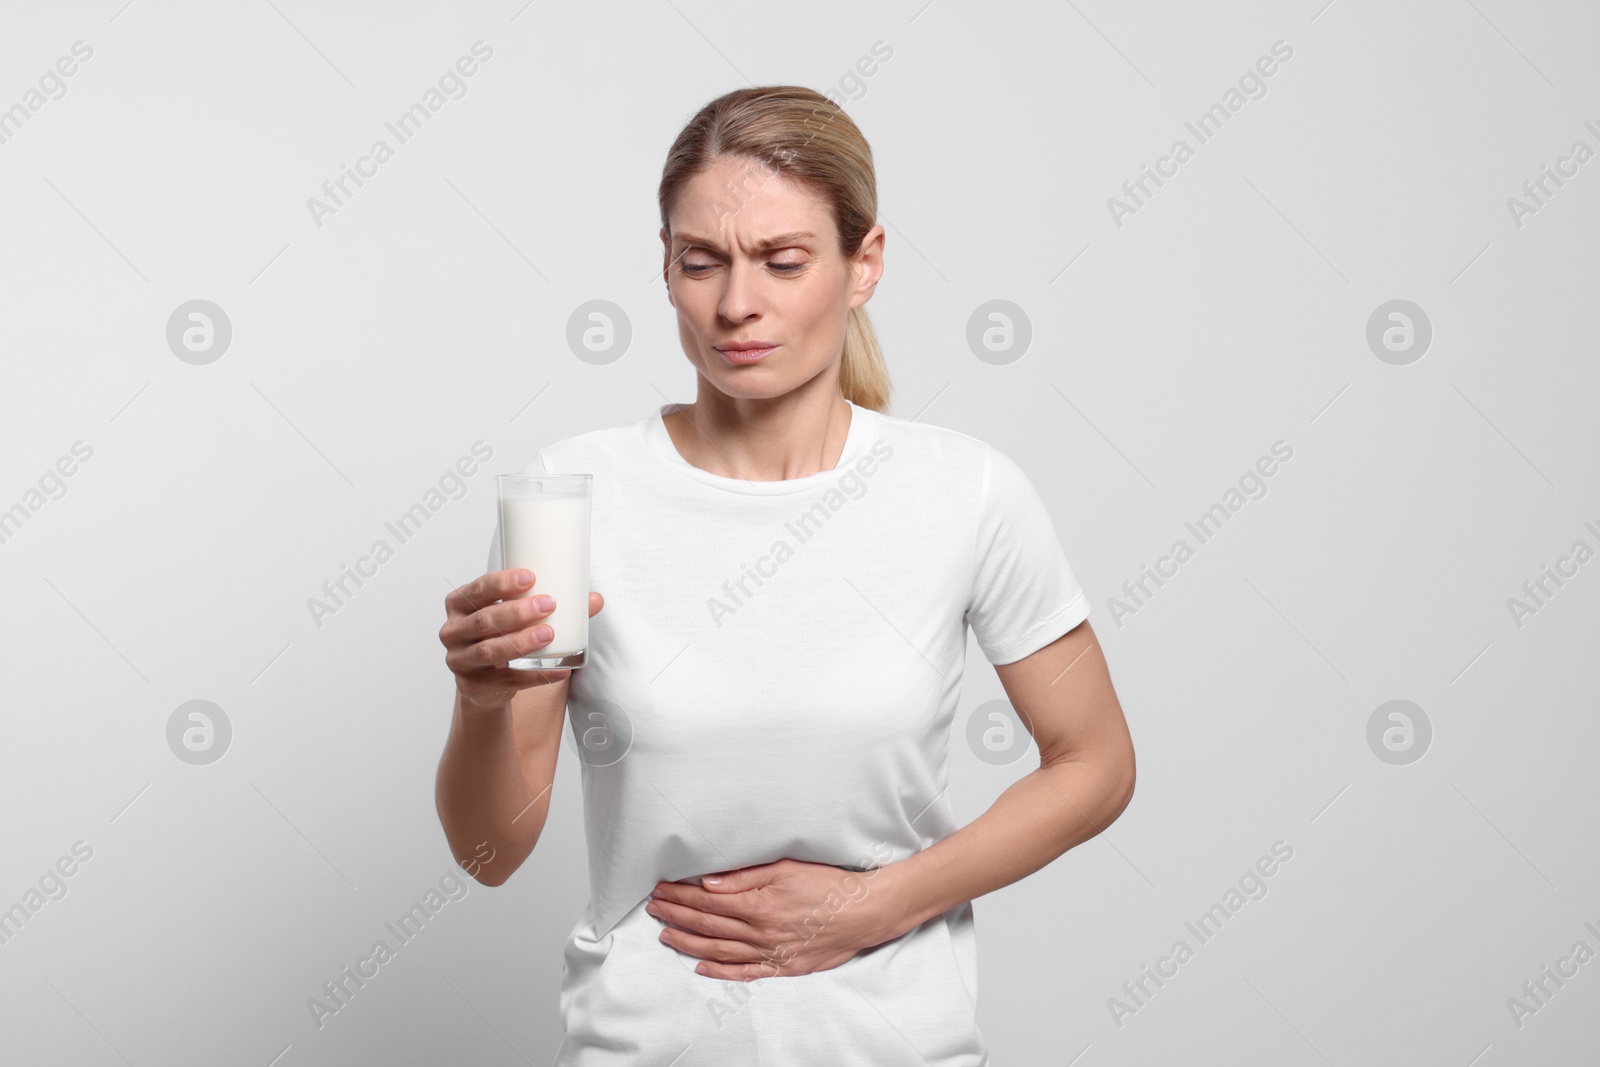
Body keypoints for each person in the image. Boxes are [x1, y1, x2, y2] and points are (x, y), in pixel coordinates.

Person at [436, 85, 1136, 1066]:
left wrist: (870, 905)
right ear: (667, 270)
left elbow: (1096, 763)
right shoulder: (570, 496)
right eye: (700, 261)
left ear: (864, 265)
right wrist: (478, 700)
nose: (735, 304)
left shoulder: (965, 491)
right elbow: (487, 852)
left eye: (783, 260)